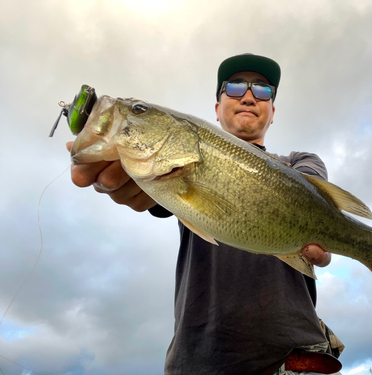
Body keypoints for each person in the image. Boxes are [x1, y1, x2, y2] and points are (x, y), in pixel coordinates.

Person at [67, 53, 343, 375]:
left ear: (272, 113)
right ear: (216, 109)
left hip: (296, 358)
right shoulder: (172, 170)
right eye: (236, 87)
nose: (250, 96)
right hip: (197, 361)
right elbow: (152, 197)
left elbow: (313, 201)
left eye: (264, 90)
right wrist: (133, 173)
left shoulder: (301, 161)